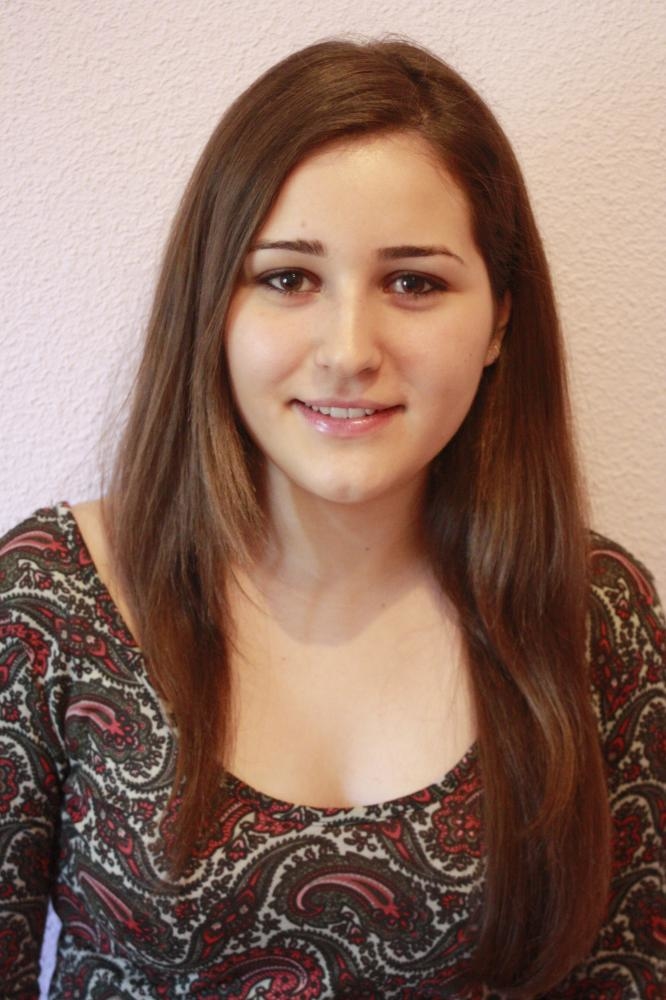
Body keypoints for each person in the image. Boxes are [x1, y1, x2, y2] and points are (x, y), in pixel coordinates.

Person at [0, 38, 663, 1000]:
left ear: (500, 320)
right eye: (287, 278)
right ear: (211, 306)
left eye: (414, 282)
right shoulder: (51, 601)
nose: (349, 351)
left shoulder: (596, 612)